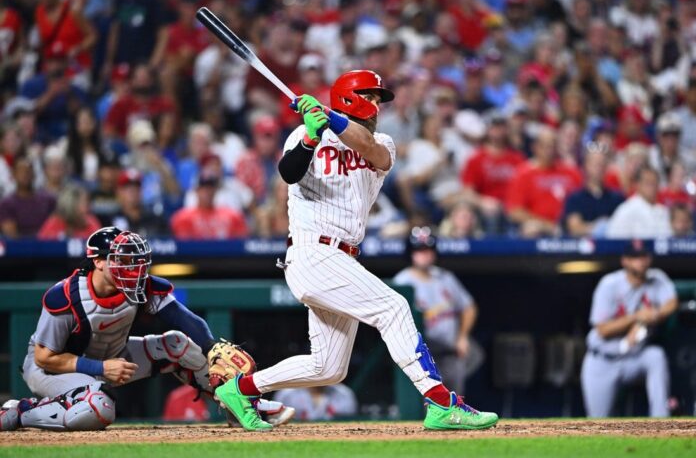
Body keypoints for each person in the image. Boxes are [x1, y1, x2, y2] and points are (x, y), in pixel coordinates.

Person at [213, 70, 498, 431]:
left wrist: (330, 118)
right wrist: (311, 136)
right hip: (313, 252)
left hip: (341, 257)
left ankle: (239, 390)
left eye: (379, 99)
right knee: (394, 307)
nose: (377, 105)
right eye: (371, 97)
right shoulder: (303, 134)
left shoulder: (383, 143)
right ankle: (440, 401)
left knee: (328, 368)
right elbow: (288, 173)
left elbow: (369, 149)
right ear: (351, 97)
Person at [0, 227, 293, 431]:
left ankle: (239, 405)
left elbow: (183, 319)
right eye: (121, 260)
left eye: (133, 260)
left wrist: (211, 347)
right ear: (98, 261)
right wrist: (99, 367)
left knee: (178, 344)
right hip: (53, 371)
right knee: (98, 407)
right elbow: (44, 357)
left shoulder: (140, 286)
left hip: (112, 359)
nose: (132, 267)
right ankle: (21, 412)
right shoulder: (66, 295)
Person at [581, 241, 677, 418]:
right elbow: (603, 330)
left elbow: (671, 303)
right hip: (603, 360)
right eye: (635, 257)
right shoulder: (609, 284)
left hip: (634, 359)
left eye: (643, 256)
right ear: (625, 261)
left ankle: (661, 420)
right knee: (597, 422)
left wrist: (654, 315)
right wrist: (637, 317)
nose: (640, 261)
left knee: (655, 356)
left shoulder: (657, 278)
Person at [393, 227, 483, 395]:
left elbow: (469, 308)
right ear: (410, 253)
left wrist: (462, 336)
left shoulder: (445, 277)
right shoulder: (402, 282)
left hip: (450, 352)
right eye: (419, 250)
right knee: (427, 403)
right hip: (423, 358)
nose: (424, 255)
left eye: (428, 250)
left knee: (454, 398)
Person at [562, 150, 624, 238]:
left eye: (602, 164)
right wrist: (598, 227)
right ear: (585, 167)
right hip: (585, 244)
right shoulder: (575, 198)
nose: (599, 168)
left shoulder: (617, 198)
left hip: (613, 244)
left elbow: (624, 225)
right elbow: (575, 229)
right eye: (595, 164)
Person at [606, 167, 672, 239]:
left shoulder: (663, 211)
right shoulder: (626, 209)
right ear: (637, 184)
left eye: (654, 183)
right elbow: (615, 240)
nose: (652, 186)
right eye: (647, 183)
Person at [0, 157, 55, 238]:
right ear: (13, 175)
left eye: (28, 171)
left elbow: (56, 227)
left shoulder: (48, 199)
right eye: (21, 172)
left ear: (34, 175)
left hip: (47, 242)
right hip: (19, 245)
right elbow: (11, 235)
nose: (25, 175)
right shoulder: (6, 203)